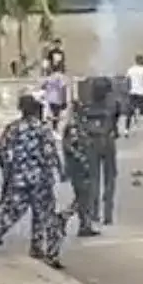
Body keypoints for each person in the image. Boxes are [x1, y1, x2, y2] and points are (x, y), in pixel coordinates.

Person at [0, 94, 64, 266]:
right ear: (36, 110)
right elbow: (50, 154)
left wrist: (8, 174)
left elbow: (4, 153)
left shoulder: (12, 128)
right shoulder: (43, 129)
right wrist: (56, 172)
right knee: (44, 215)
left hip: (19, 178)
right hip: (40, 179)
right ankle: (40, 248)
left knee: (9, 213)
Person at [84, 77, 121, 226]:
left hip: (92, 141)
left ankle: (94, 212)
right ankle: (108, 214)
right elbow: (115, 121)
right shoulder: (113, 105)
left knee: (93, 178)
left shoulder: (87, 106)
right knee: (110, 178)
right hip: (107, 140)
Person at [61, 100, 98, 237]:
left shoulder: (77, 124)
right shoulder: (74, 126)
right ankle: (65, 217)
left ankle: (84, 225)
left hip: (78, 166)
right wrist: (83, 160)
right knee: (84, 196)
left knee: (83, 197)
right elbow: (70, 147)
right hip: (79, 168)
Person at [125, 54, 143, 134]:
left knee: (129, 111)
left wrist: (128, 89)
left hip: (133, 92)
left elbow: (127, 80)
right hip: (142, 92)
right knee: (142, 105)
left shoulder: (131, 70)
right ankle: (138, 112)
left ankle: (126, 129)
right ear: (142, 60)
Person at [41, 65, 69, 131]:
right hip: (57, 99)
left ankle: (53, 128)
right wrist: (64, 100)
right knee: (56, 115)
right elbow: (63, 87)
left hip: (50, 99)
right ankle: (55, 129)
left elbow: (43, 87)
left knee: (53, 114)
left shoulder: (49, 77)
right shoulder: (59, 77)